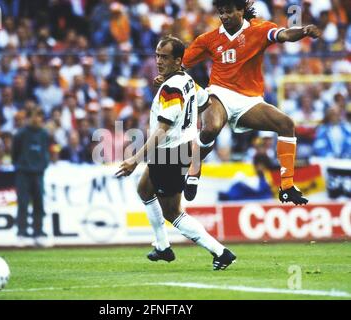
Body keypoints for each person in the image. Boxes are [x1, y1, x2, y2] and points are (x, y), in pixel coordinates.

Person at [160, 0, 321, 205]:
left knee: (286, 124)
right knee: (211, 127)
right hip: (219, 92)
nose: (224, 16)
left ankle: (287, 186)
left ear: (241, 10)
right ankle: (194, 166)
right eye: (221, 12)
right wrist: (165, 75)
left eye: (228, 12)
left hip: (249, 100)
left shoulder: (261, 29)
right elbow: (181, 64)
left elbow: (285, 34)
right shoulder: (208, 39)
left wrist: (304, 30)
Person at [116, 35, 236, 271]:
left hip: (169, 154)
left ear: (178, 60)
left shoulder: (170, 88)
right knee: (144, 188)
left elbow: (161, 130)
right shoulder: (188, 81)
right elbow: (204, 103)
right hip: (175, 150)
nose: (159, 61)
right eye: (157, 56)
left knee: (173, 212)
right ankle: (162, 247)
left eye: (165, 57)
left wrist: (134, 159)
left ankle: (220, 252)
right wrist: (190, 129)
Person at [12, 107, 50, 239]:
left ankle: (38, 230)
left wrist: (43, 165)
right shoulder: (21, 134)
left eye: (39, 116)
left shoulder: (44, 134)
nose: (36, 119)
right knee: (23, 202)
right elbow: (15, 153)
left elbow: (45, 151)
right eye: (34, 116)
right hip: (24, 172)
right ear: (28, 118)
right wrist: (20, 165)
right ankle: (22, 231)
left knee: (39, 202)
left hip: (38, 173)